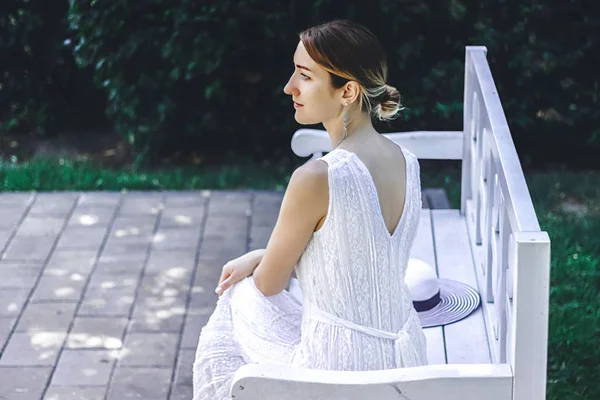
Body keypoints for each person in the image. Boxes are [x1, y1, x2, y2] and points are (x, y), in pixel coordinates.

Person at [192, 19, 427, 400]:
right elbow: (358, 254)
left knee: (237, 296)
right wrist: (262, 253)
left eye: (305, 76)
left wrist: (257, 261)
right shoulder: (409, 162)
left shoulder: (316, 177)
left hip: (339, 368)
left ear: (347, 91)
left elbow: (269, 284)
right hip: (406, 357)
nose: (289, 87)